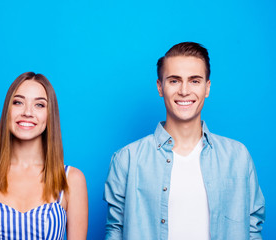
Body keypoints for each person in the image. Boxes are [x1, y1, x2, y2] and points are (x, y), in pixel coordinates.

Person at [104, 42, 265, 240]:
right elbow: (115, 230)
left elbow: (252, 228)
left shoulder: (238, 157)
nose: (184, 91)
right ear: (160, 87)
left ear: (207, 88)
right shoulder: (127, 159)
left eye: (194, 81)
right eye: (174, 81)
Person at [0, 72, 88, 239]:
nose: (27, 112)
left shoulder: (71, 179)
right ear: (7, 110)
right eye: (18, 102)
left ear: (50, 115)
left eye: (39, 105)